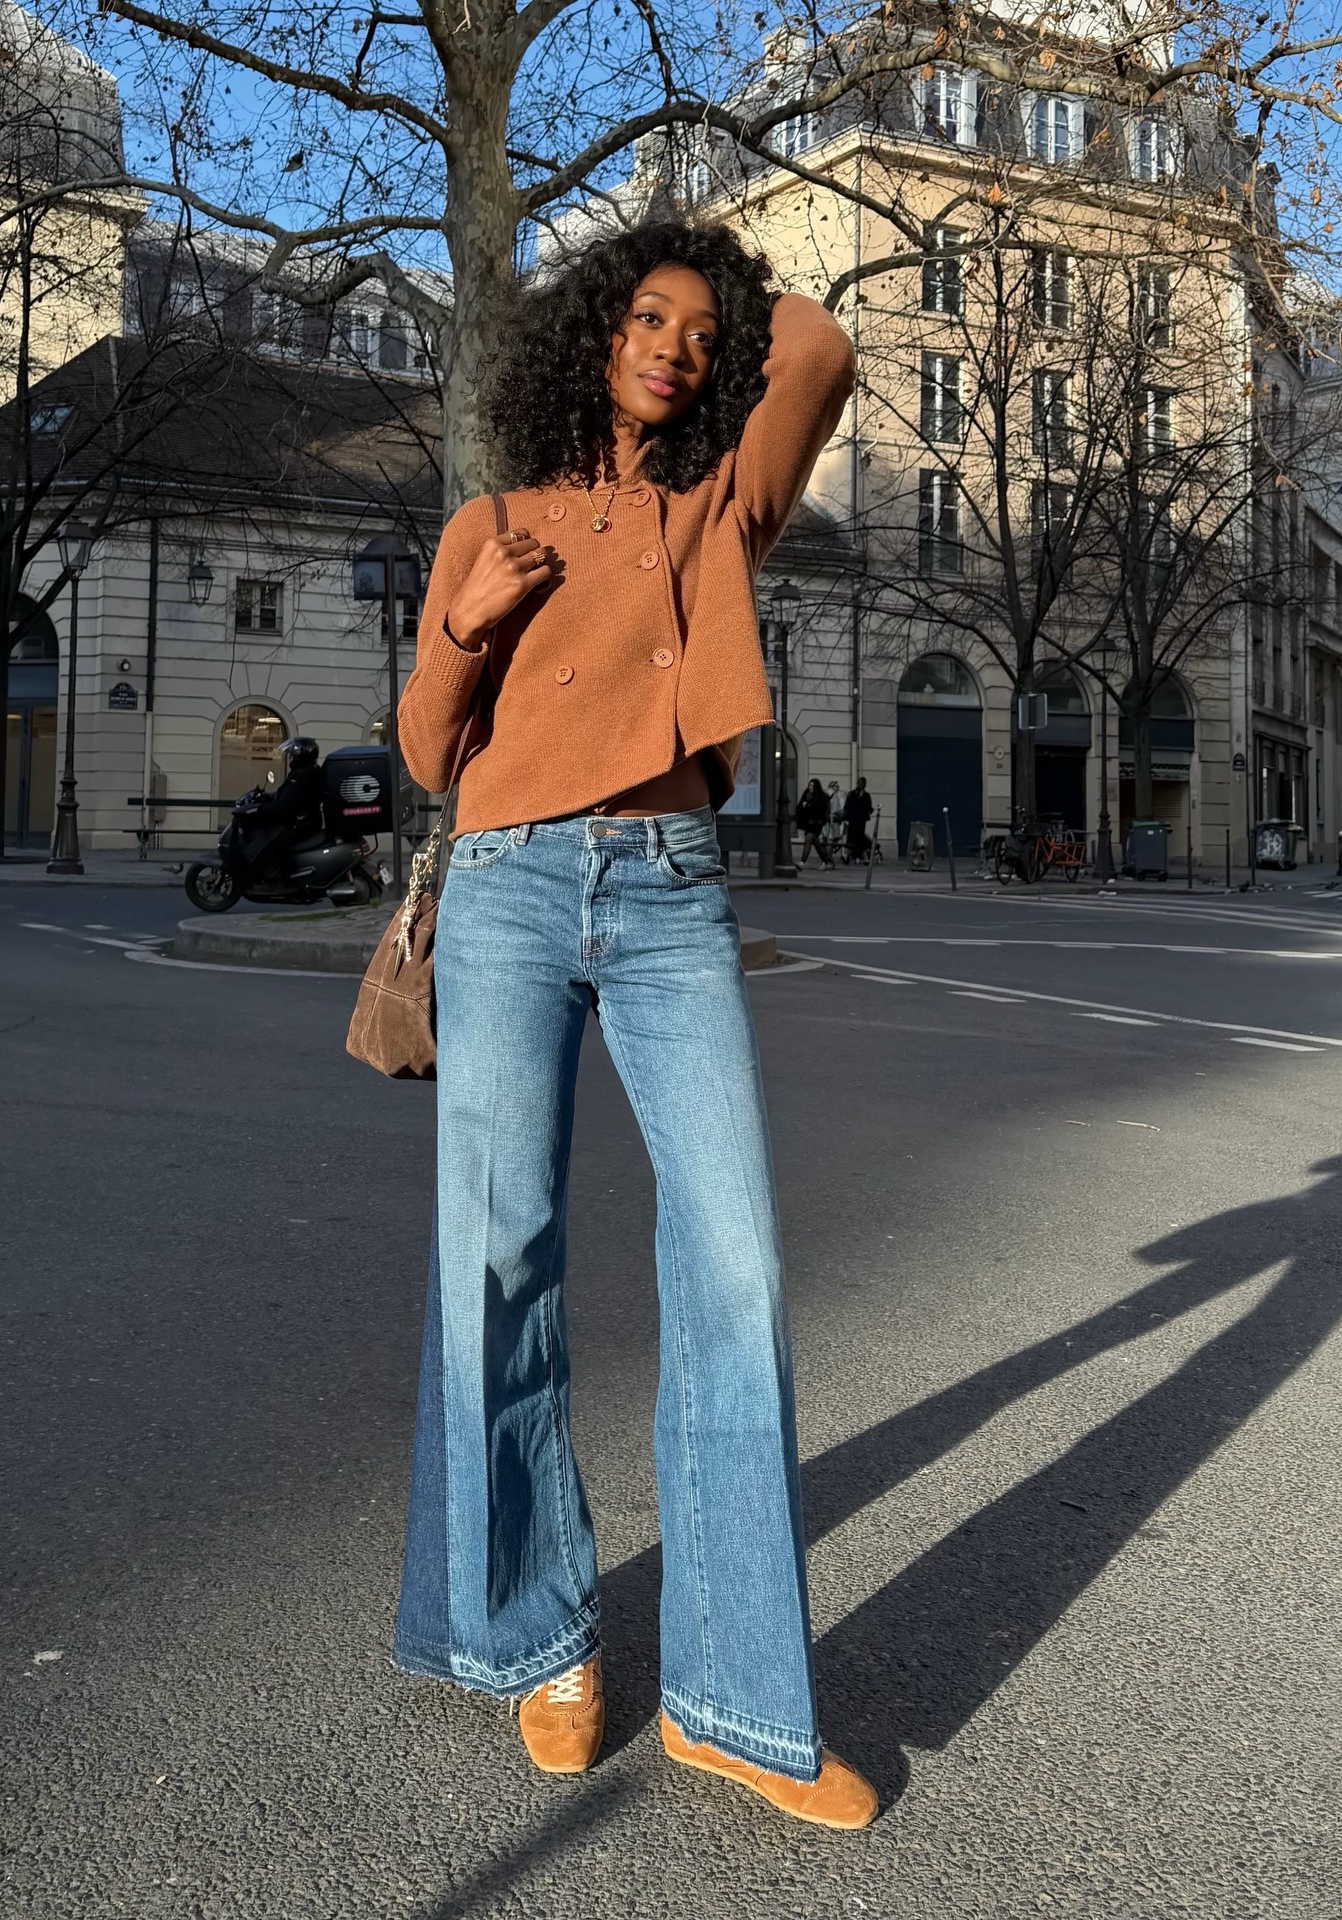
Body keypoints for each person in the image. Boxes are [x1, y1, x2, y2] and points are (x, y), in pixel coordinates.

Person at [393, 219, 876, 1831]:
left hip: (671, 889)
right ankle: (542, 1638)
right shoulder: (497, 513)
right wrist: (475, 609)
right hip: (515, 893)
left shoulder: (717, 506)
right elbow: (420, 747)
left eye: (694, 328)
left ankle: (735, 1701)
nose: (671, 342)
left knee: (737, 1258)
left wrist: (737, 276)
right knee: (499, 1253)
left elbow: (817, 345)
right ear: (590, 332)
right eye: (644, 314)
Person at [241, 735, 324, 877]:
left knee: (277, 843)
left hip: (301, 822)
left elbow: (285, 806)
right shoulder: (309, 770)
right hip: (306, 818)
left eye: (292, 755)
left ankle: (286, 879)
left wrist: (259, 809)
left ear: (300, 755)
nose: (290, 758)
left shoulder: (301, 775)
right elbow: (291, 795)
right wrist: (268, 797)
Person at [795, 777, 833, 867]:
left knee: (808, 839)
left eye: (812, 785)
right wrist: (803, 806)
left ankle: (802, 862)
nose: (810, 787)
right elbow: (799, 807)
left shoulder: (820, 797)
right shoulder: (806, 794)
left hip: (816, 823)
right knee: (817, 844)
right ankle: (826, 862)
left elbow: (819, 810)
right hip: (808, 823)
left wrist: (807, 805)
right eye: (809, 785)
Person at [842, 776, 874, 863]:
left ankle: (863, 858)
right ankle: (847, 856)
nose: (861, 785)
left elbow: (869, 807)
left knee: (860, 838)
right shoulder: (852, 794)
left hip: (861, 821)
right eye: (860, 783)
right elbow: (847, 807)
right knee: (852, 838)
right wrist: (845, 818)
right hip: (853, 820)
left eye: (862, 783)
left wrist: (871, 810)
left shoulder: (866, 795)